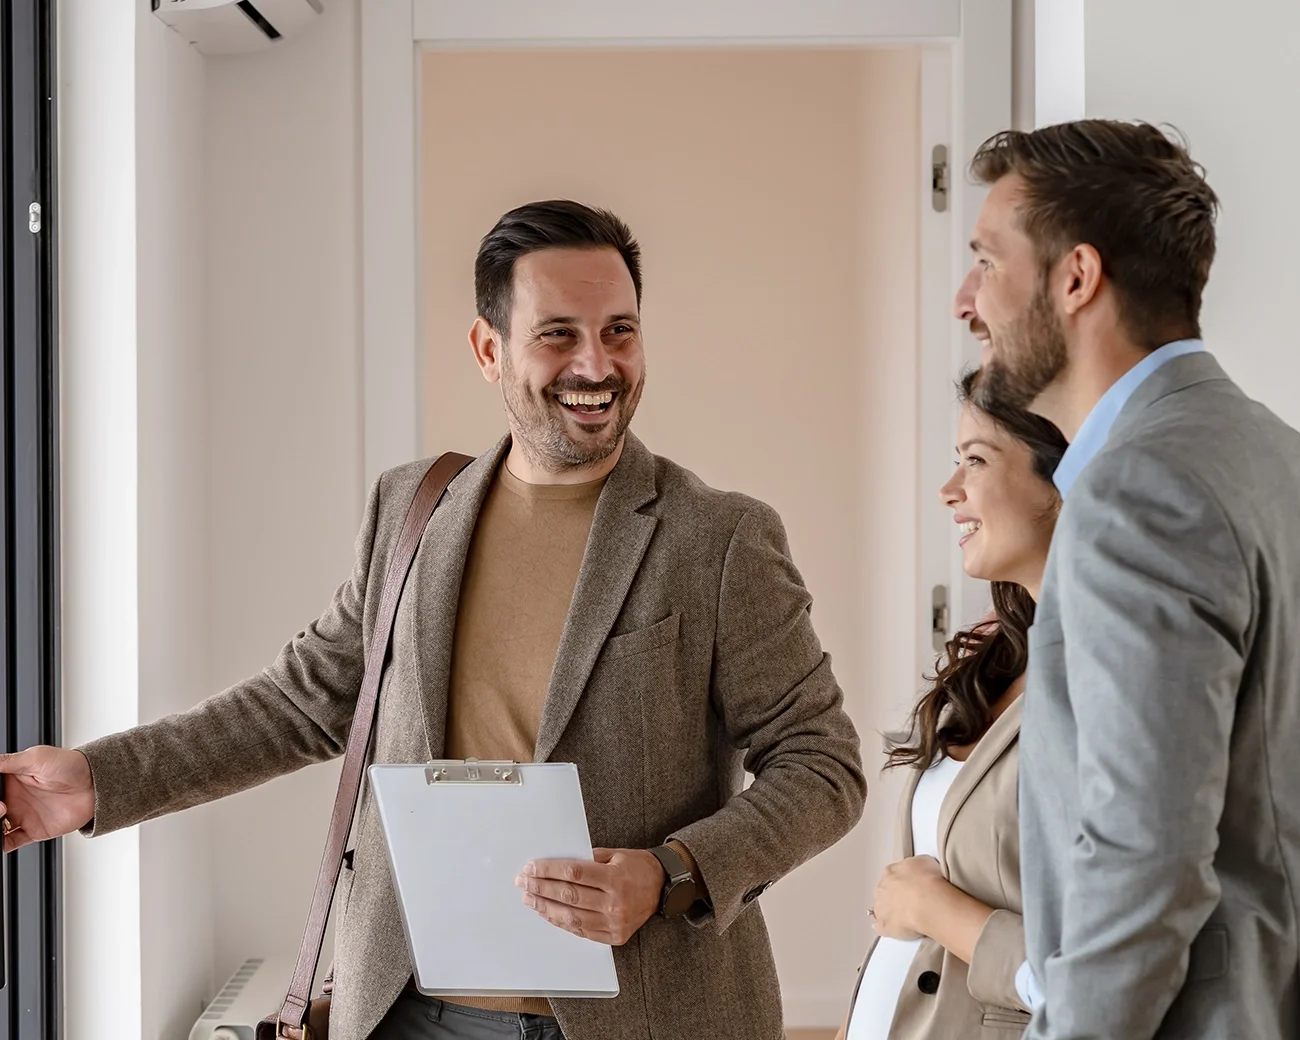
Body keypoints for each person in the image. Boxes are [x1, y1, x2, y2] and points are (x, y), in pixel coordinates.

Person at [0, 200, 867, 1040]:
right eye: (558, 333)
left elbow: (822, 765)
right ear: (489, 349)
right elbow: (304, 703)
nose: (597, 365)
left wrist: (671, 873)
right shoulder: (414, 510)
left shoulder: (718, 537)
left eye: (620, 330)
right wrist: (99, 779)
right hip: (412, 1009)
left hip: (643, 1010)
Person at [955, 119, 1300, 1039]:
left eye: (986, 261)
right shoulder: (1273, 452)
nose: (966, 298)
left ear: (1075, 277)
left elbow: (1142, 865)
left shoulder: (1137, 489)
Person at [835, 370, 1066, 1040]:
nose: (949, 491)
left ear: (1062, 478)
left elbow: (1113, 974)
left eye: (975, 460)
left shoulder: (1115, 684)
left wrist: (938, 912)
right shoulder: (998, 660)